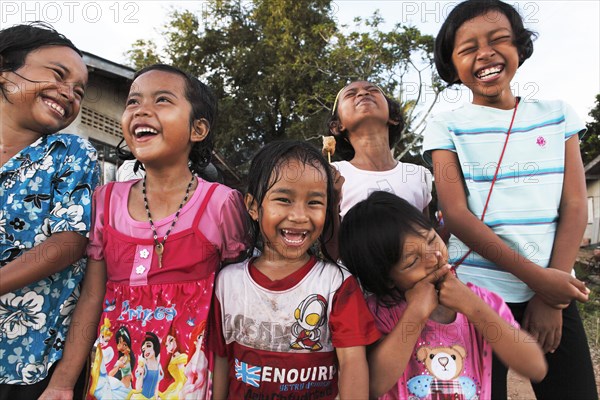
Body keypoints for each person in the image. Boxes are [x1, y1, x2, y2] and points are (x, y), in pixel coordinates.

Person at [39, 64, 249, 400]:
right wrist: (63, 383)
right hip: (113, 381)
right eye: (133, 102)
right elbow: (93, 297)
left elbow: (235, 307)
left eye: (162, 100)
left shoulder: (221, 204)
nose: (141, 110)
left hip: (189, 383)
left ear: (198, 129)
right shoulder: (106, 201)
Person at [422, 0, 597, 398]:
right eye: (468, 48)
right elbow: (456, 214)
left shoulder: (558, 116)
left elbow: (573, 204)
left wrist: (551, 297)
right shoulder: (446, 126)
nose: (485, 53)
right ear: (452, 65)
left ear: (520, 47)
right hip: (476, 292)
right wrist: (542, 282)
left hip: (551, 284)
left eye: (498, 39)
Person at [210, 141, 381, 399]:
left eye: (314, 202)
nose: (300, 215)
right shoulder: (227, 283)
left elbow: (352, 364)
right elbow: (222, 360)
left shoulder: (336, 284)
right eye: (284, 199)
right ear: (254, 207)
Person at [339, 191, 547, 398]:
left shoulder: (480, 301)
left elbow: (534, 366)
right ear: (387, 279)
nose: (434, 257)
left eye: (431, 240)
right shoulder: (380, 313)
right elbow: (372, 386)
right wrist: (415, 315)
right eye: (412, 261)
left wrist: (474, 308)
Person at [0, 22, 99, 399]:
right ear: (5, 69)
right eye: (58, 75)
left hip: (30, 366)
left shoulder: (71, 153)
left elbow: (69, 242)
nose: (69, 94)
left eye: (79, 91)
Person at [325, 80, 432, 219]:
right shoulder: (333, 174)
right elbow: (328, 239)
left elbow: (427, 235)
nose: (363, 93)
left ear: (393, 118)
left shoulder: (418, 174)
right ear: (337, 126)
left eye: (373, 90)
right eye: (351, 94)